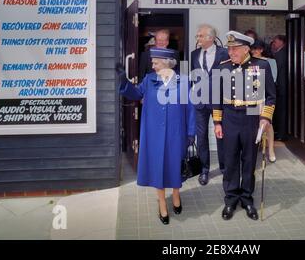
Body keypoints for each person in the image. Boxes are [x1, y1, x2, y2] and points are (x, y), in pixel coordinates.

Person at [116, 47, 196, 225]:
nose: (152, 65)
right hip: (154, 134)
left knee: (175, 165)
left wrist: (191, 132)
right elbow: (135, 94)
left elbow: (190, 109)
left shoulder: (183, 81)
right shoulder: (149, 79)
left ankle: (176, 195)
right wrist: (124, 81)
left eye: (155, 62)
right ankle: (162, 204)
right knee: (158, 168)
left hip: (176, 133)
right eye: (153, 62)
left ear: (167, 63)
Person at [212, 31, 276, 221]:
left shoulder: (261, 65)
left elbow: (271, 95)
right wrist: (217, 122)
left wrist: (265, 118)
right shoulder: (222, 67)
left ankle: (247, 198)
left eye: (234, 49)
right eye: (229, 49)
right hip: (229, 117)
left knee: (249, 161)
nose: (230, 52)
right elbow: (216, 97)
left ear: (246, 49)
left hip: (251, 117)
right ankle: (231, 198)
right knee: (230, 160)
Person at [190, 24, 229, 185]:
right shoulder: (194, 54)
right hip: (200, 102)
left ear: (211, 38)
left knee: (222, 134)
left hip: (219, 102)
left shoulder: (224, 53)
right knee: (202, 136)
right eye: (197, 36)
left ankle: (225, 168)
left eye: (200, 35)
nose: (197, 38)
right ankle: (204, 170)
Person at [250, 39, 278, 163]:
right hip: (252, 96)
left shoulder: (269, 62)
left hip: (266, 97)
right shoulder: (249, 62)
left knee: (267, 125)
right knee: (253, 125)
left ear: (262, 49)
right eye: (253, 49)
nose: (254, 51)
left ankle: (271, 150)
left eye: (257, 49)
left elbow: (273, 79)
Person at [271, 34, 287, 141]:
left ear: (282, 42)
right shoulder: (279, 52)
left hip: (281, 87)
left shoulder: (281, 54)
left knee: (281, 111)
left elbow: (276, 70)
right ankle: (279, 132)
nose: (273, 43)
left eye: (275, 41)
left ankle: (281, 134)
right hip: (281, 86)